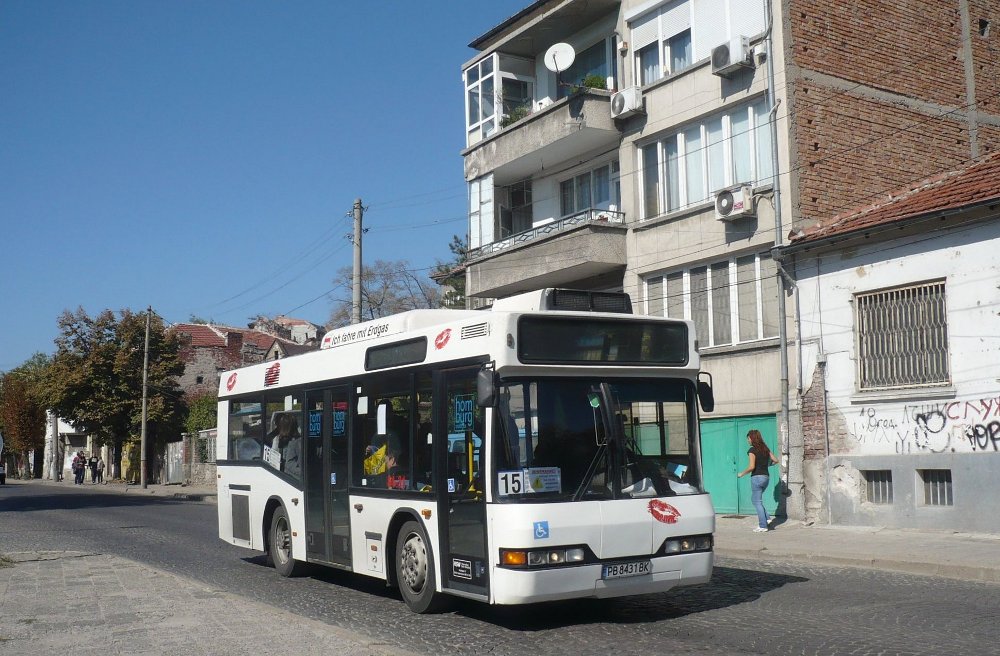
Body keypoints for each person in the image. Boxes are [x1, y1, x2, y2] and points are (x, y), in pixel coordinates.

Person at [737, 429, 780, 532]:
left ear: (752, 438)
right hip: (766, 478)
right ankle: (768, 519)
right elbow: (776, 460)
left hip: (756, 477)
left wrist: (741, 474)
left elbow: (751, 467)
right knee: (756, 500)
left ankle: (762, 525)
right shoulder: (765, 449)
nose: (748, 441)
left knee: (757, 501)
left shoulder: (752, 450)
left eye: (748, 438)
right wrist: (766, 465)